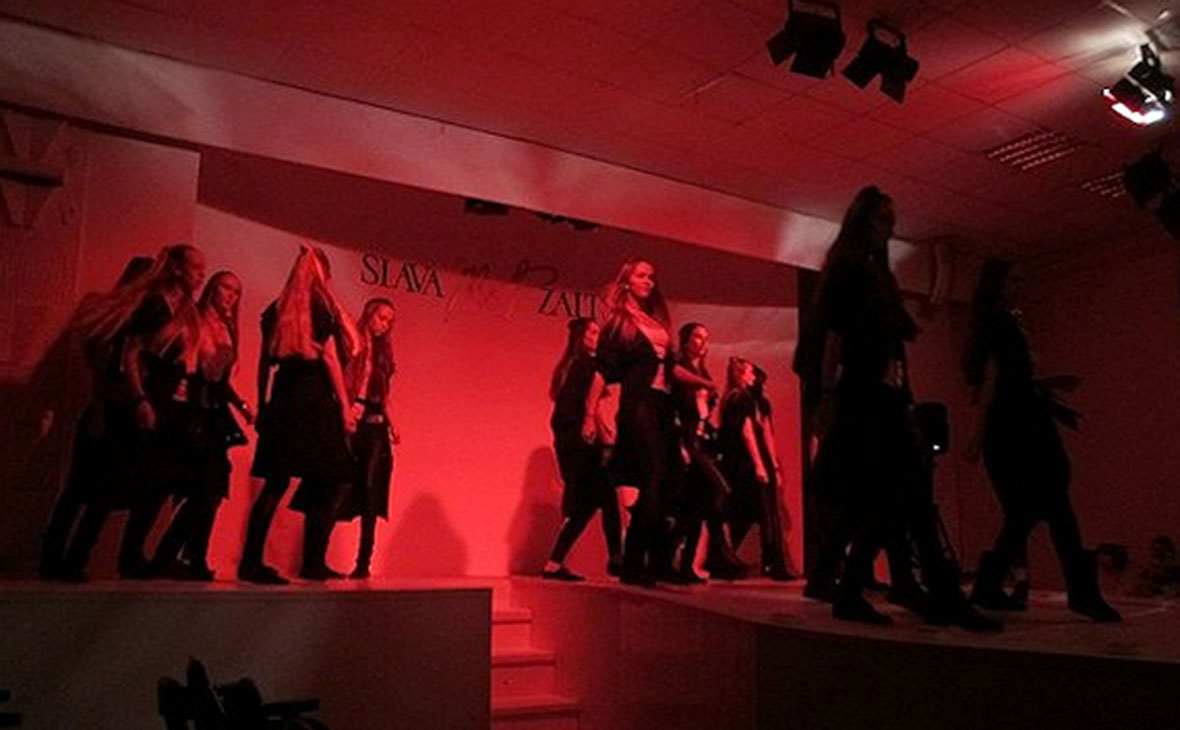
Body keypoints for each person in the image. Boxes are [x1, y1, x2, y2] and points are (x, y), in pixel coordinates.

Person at [797, 186, 997, 630]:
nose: (888, 229)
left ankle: (857, 592)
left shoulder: (869, 270)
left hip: (879, 397)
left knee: (887, 502)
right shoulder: (854, 269)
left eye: (891, 221)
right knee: (910, 498)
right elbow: (836, 335)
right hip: (868, 399)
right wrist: (827, 397)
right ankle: (939, 595)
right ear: (862, 221)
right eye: (882, 220)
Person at [964, 259, 1120, 621]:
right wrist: (978, 435)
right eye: (1014, 280)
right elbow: (993, 379)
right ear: (998, 283)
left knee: (1028, 511)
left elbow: (1000, 380)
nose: (1019, 287)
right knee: (1051, 506)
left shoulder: (995, 322)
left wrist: (1045, 385)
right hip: (1021, 427)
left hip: (1017, 424)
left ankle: (989, 586)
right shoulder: (1000, 322)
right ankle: (1080, 592)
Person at [53, 245, 206, 580]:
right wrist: (136, 400)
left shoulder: (174, 312)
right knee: (91, 489)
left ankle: (71, 560)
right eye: (196, 268)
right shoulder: (152, 309)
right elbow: (125, 358)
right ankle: (67, 561)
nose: (201, 275)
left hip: (133, 407)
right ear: (175, 269)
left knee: (97, 489)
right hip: (121, 407)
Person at [240, 246, 359, 584]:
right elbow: (331, 359)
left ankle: (251, 561)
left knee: (276, 482)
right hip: (314, 399)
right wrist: (345, 407)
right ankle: (312, 561)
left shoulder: (275, 310)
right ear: (323, 274)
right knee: (331, 476)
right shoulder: (319, 306)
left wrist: (262, 404)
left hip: (283, 397)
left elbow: (264, 362)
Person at [596, 260, 713, 586]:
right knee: (655, 475)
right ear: (627, 281)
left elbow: (670, 367)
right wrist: (592, 414)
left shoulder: (657, 320)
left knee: (675, 478)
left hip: (662, 404)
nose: (648, 281)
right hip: (640, 403)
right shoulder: (620, 322)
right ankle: (635, 562)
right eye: (641, 275)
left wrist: (704, 382)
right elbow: (603, 368)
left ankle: (658, 559)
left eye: (651, 277)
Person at [39, 256, 154, 580]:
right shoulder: (122, 318)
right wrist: (102, 407)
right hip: (111, 407)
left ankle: (63, 559)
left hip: (114, 407)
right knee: (88, 491)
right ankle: (66, 560)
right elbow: (103, 364)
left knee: (87, 491)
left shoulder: (123, 317)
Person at [149, 271, 253, 580]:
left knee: (212, 490)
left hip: (213, 413)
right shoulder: (195, 320)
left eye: (236, 291)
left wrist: (241, 405)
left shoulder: (228, 327)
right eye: (226, 288)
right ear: (213, 289)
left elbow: (220, 380)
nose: (230, 296)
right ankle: (170, 556)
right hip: (193, 412)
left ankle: (192, 557)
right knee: (199, 488)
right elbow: (196, 369)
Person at [541, 317, 623, 581]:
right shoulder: (585, 366)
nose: (598, 337)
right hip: (579, 441)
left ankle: (554, 564)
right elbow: (588, 406)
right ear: (581, 337)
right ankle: (616, 558)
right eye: (594, 332)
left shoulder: (571, 366)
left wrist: (601, 430)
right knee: (605, 497)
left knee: (586, 507)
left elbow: (582, 407)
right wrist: (599, 431)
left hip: (572, 440)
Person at [674, 323, 744, 583]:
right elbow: (675, 410)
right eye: (698, 337)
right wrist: (681, 445)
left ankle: (686, 565)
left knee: (697, 505)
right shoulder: (681, 371)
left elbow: (703, 412)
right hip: (689, 441)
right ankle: (718, 550)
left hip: (702, 441)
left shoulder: (701, 371)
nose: (703, 342)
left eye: (706, 338)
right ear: (686, 340)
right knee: (720, 491)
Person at [336, 297, 400, 579]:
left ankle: (364, 562)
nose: (384, 325)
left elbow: (383, 395)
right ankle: (314, 557)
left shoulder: (383, 353)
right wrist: (345, 408)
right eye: (381, 317)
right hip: (351, 414)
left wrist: (393, 424)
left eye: (389, 321)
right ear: (369, 314)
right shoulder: (354, 342)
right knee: (339, 483)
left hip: (374, 419)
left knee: (371, 487)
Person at [720, 360, 794, 581]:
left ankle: (769, 562)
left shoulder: (753, 401)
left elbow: (765, 433)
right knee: (764, 512)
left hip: (751, 460)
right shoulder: (741, 399)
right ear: (741, 375)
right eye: (750, 372)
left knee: (763, 513)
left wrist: (772, 465)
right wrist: (762, 464)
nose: (755, 377)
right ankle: (771, 563)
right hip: (747, 461)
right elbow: (748, 433)